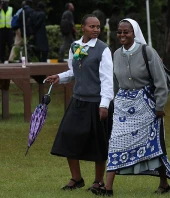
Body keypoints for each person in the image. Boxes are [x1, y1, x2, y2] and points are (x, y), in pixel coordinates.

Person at [93, 18, 170, 196]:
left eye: (127, 31)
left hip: (147, 105)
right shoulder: (116, 54)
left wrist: (160, 105)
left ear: (134, 33)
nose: (122, 35)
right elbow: (115, 82)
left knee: (154, 144)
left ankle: (164, 183)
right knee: (115, 143)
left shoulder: (147, 52)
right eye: (120, 32)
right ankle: (108, 189)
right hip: (123, 106)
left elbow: (160, 81)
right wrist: (109, 102)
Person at [45, 14, 114, 193]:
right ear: (82, 27)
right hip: (78, 101)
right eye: (92, 26)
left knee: (98, 143)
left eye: (98, 27)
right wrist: (58, 77)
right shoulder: (75, 46)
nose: (96, 30)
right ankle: (76, 178)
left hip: (97, 102)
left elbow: (107, 80)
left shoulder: (103, 49)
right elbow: (73, 71)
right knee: (67, 136)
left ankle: (98, 181)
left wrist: (104, 104)